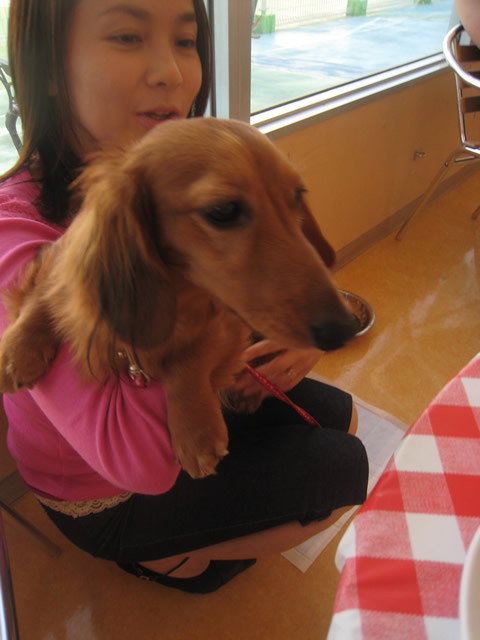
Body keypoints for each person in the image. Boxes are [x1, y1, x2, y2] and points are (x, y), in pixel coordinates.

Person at [0, 0, 369, 594]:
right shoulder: (15, 236)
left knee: (341, 417)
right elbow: (143, 466)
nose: (171, 73)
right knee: (342, 471)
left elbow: (239, 273)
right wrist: (194, 375)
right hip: (102, 493)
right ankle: (166, 557)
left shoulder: (178, 164)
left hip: (171, 388)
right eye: (127, 36)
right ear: (47, 66)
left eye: (186, 40)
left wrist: (294, 325)